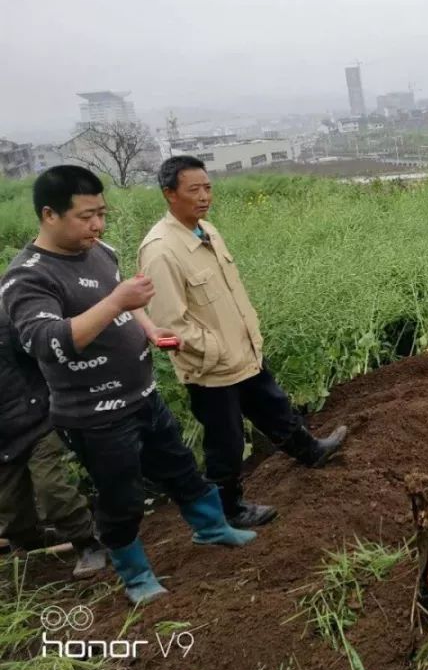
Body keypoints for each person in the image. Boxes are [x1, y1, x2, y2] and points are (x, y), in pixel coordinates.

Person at [1, 165, 256, 605]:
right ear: (49, 215)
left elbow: (123, 292)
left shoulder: (98, 250)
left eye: (101, 213)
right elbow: (47, 343)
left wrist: (150, 329)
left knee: (180, 468)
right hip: (95, 416)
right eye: (86, 216)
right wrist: (116, 302)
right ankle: (136, 576)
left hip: (142, 394)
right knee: (122, 496)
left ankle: (212, 529)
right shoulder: (28, 278)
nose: (97, 225)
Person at [138, 156, 347, 529]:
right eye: (194, 190)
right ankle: (229, 508)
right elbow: (168, 324)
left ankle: (312, 452)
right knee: (227, 441)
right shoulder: (161, 250)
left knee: (274, 406)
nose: (204, 197)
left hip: (242, 350)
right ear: (169, 194)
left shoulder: (208, 231)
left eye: (208, 188)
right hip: (211, 367)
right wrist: (215, 348)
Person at [0, 302, 106, 578]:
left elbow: (43, 354)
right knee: (10, 512)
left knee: (52, 489)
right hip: (3, 440)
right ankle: (32, 541)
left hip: (36, 421)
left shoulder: (6, 321)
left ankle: (87, 542)